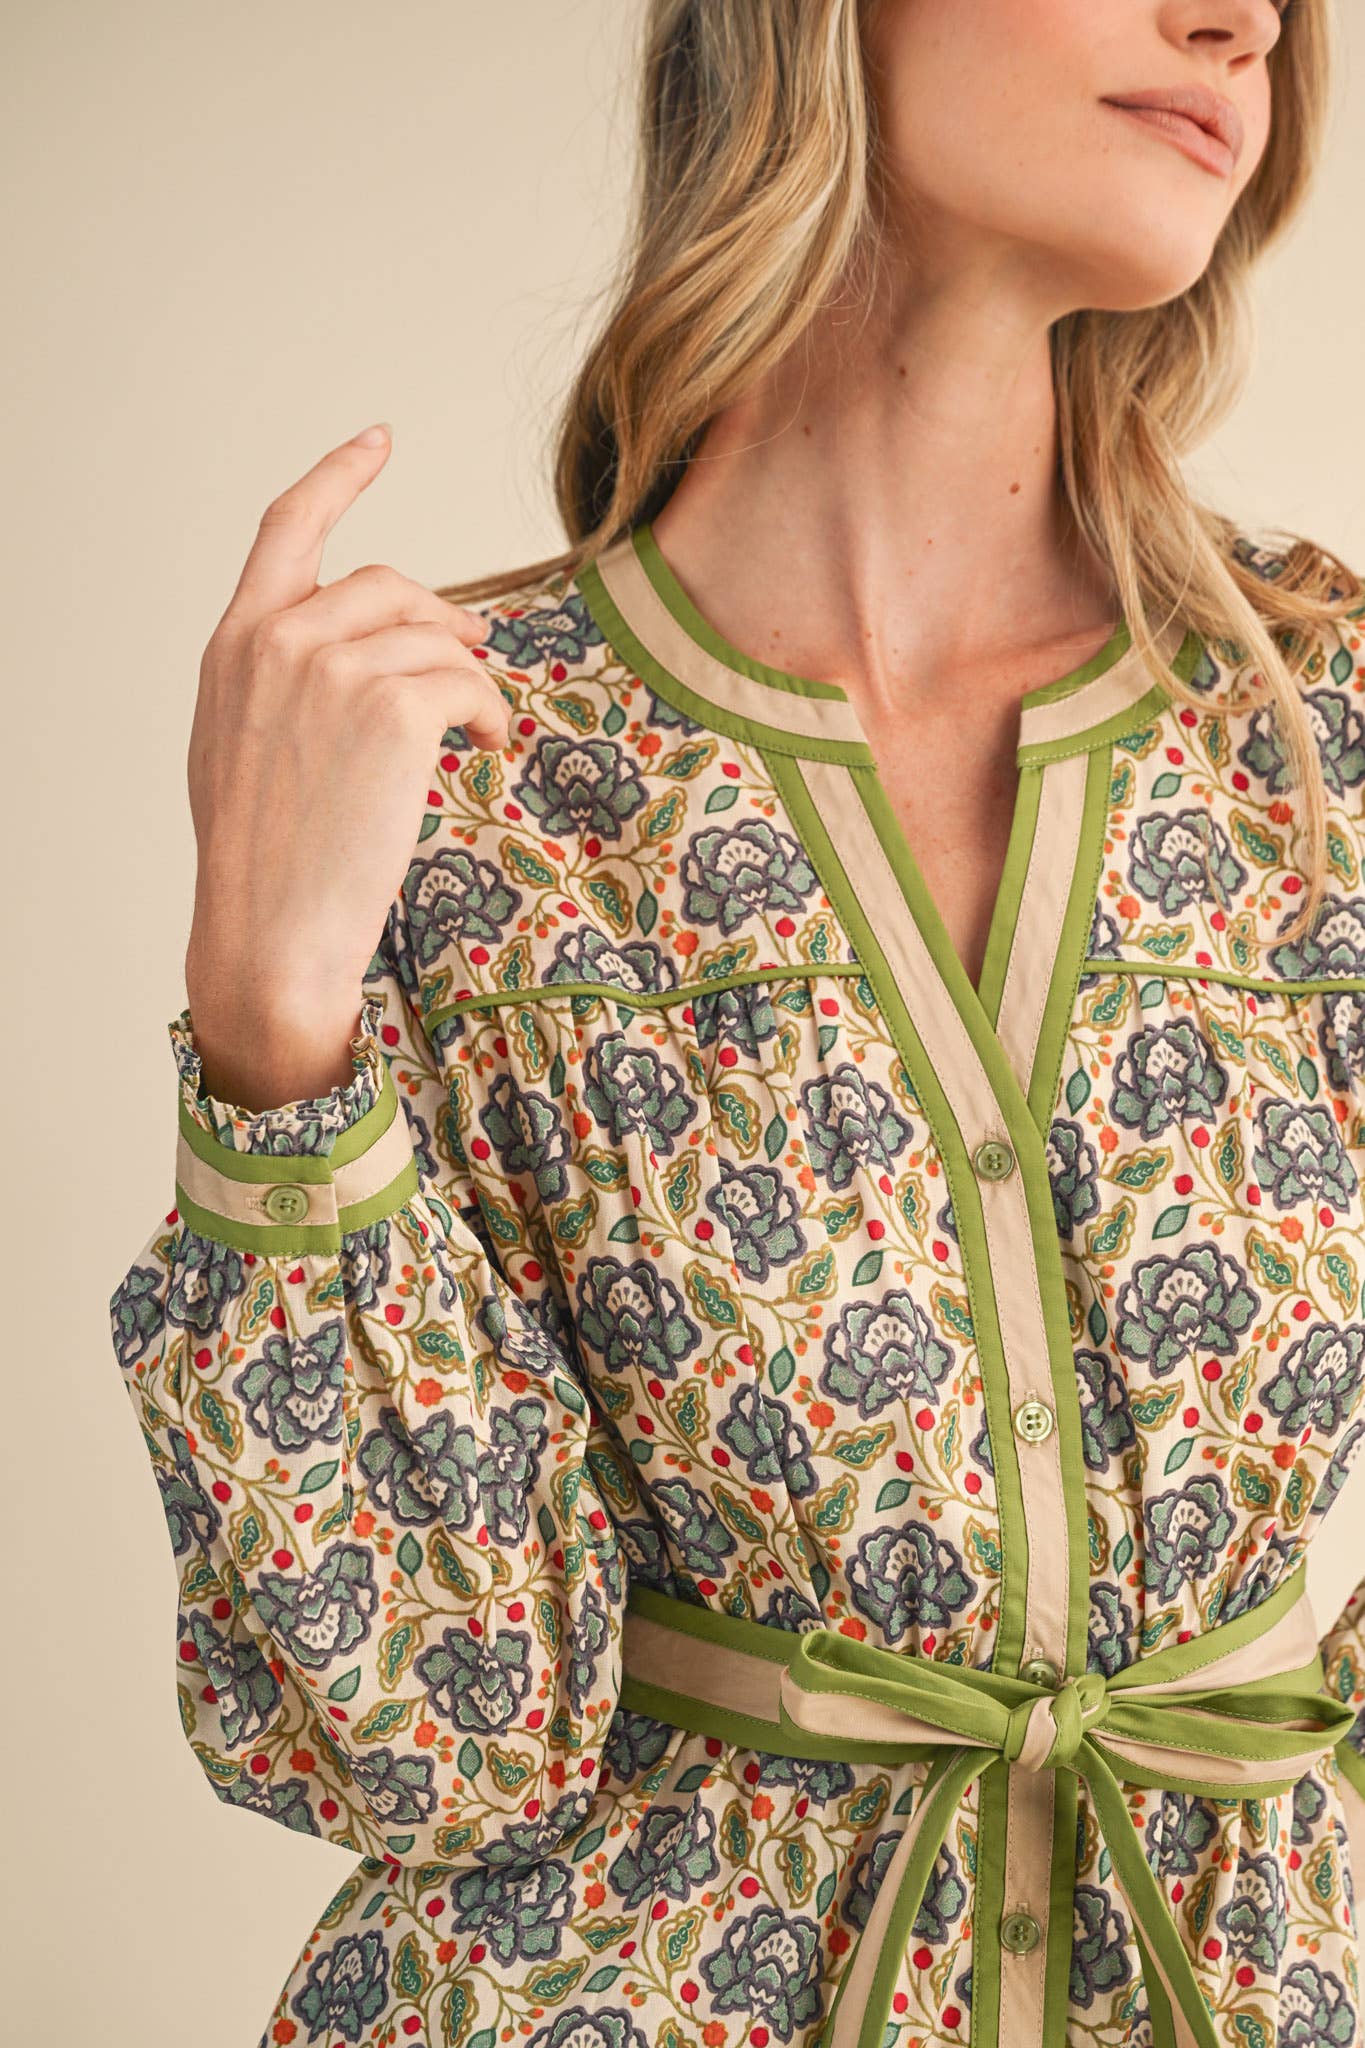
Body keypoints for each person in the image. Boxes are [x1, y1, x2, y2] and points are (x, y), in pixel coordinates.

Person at [107, 3, 1365, 2044]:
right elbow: (432, 1741)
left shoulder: (1311, 729)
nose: (1240, 23)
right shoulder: (456, 765)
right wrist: (268, 1033)